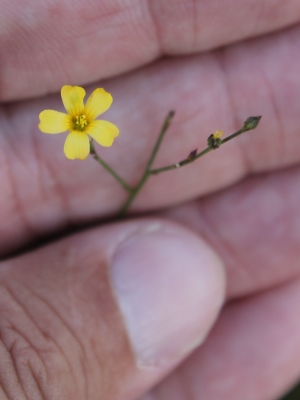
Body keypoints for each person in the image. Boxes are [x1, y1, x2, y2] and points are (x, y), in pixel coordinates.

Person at [0, 1, 300, 399]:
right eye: (78, 120)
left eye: (81, 120)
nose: (79, 120)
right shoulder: (79, 123)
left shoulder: (92, 124)